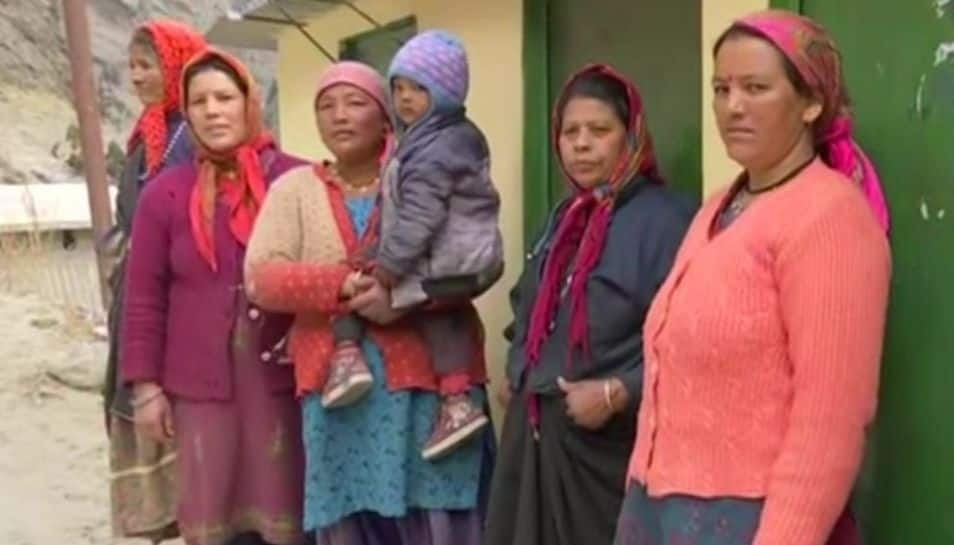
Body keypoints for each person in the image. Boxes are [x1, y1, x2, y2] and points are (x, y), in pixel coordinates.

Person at [614, 10, 891, 545]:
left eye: (755, 88)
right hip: (657, 507)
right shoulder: (719, 208)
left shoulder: (830, 218)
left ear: (811, 103)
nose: (732, 106)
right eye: (721, 88)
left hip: (750, 520)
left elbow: (830, 421)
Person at [244, 60, 492, 545]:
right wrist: (343, 284)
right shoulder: (294, 191)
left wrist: (400, 297)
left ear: (386, 117)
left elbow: (476, 258)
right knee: (355, 520)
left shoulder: (427, 174)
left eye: (355, 102)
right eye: (326, 105)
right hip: (339, 400)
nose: (339, 115)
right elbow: (261, 277)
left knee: (440, 516)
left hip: (434, 392)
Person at [483, 64, 696, 545]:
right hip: (537, 443)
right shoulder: (564, 218)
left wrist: (618, 391)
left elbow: (690, 339)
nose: (581, 144)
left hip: (610, 452)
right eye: (569, 132)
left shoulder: (668, 222)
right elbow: (528, 306)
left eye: (599, 130)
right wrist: (519, 371)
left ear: (632, 136)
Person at [121, 48, 309, 545]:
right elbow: (143, 298)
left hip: (283, 382)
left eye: (225, 97)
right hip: (200, 388)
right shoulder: (164, 194)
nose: (212, 110)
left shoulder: (296, 180)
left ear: (248, 102)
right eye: (199, 100)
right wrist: (145, 388)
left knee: (289, 504)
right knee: (214, 512)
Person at [319, 30, 503, 462]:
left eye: (419, 89)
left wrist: (387, 267)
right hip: (460, 257)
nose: (404, 99)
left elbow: (420, 218)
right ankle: (456, 400)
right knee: (439, 314)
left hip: (450, 260)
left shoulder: (437, 147)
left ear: (446, 93)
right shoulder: (432, 136)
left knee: (363, 287)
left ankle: (349, 357)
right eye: (398, 87)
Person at [102, 19, 205, 543]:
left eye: (148, 65)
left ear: (176, 65)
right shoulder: (146, 136)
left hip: (180, 302)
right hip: (139, 299)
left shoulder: (196, 135)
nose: (136, 76)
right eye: (132, 66)